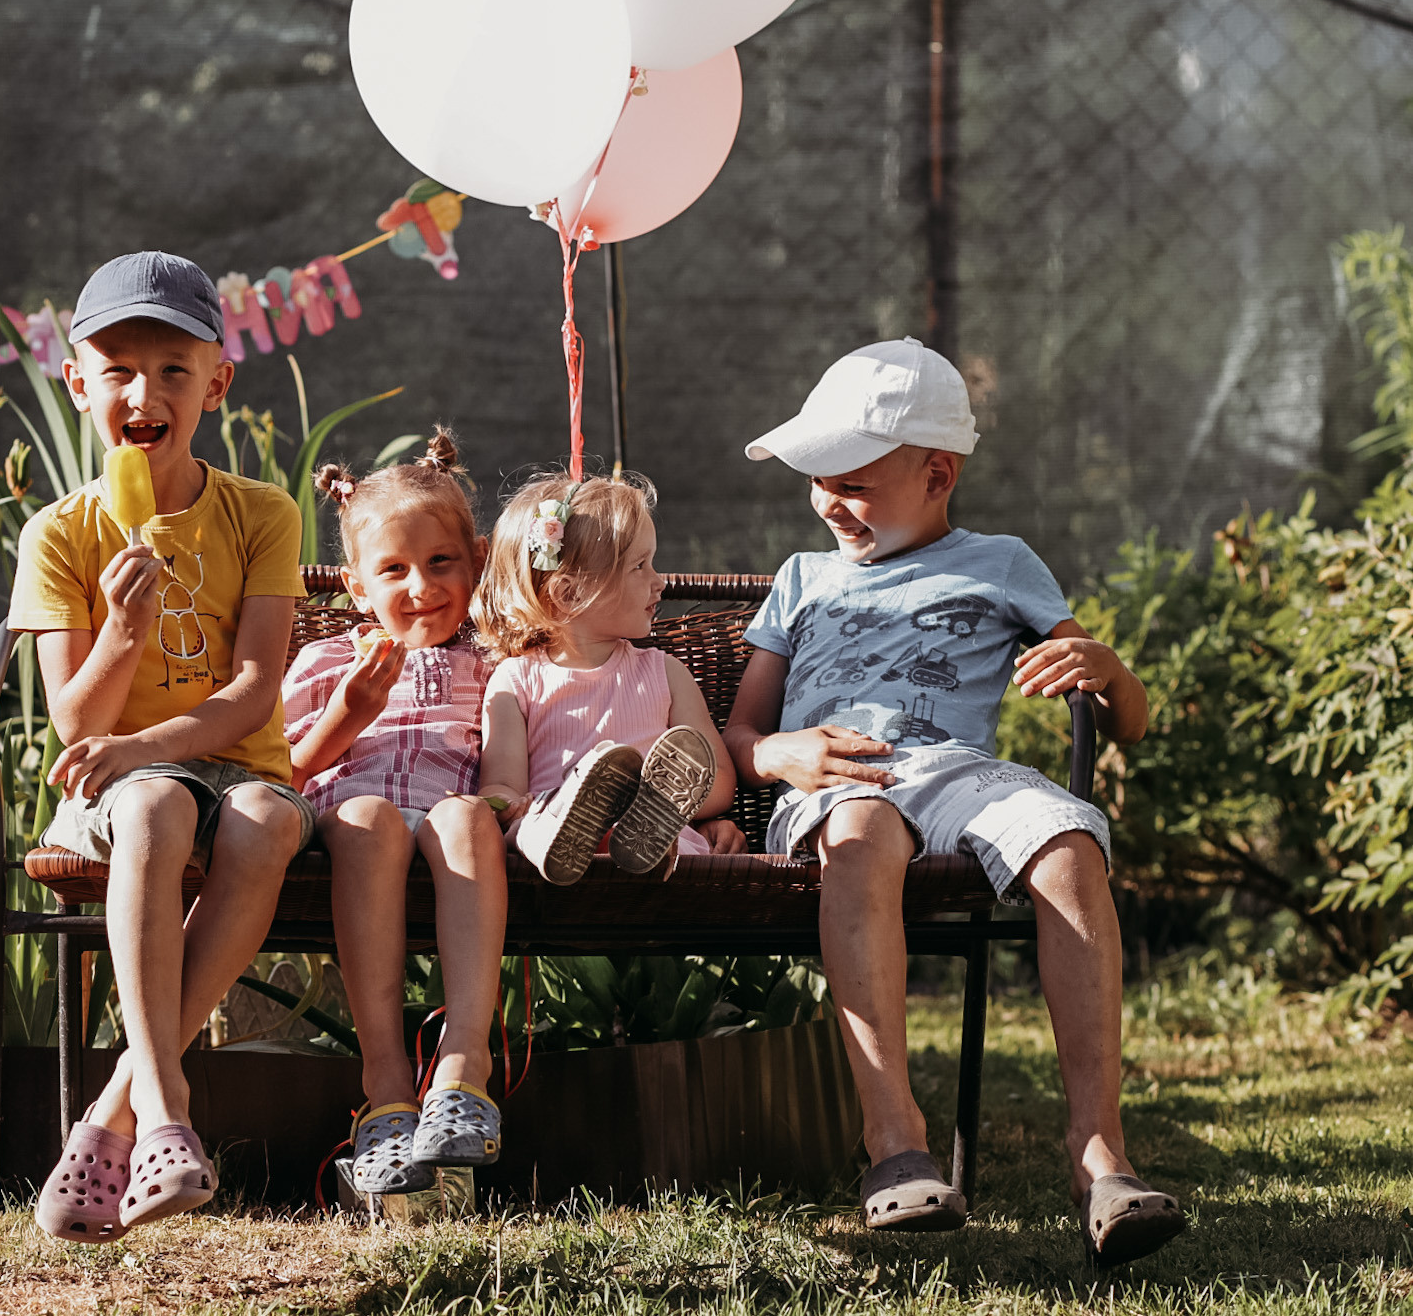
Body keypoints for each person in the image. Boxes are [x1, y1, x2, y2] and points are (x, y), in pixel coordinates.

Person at [720, 337, 1186, 1266]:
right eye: (817, 481)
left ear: (938, 472)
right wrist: (782, 751)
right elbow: (741, 735)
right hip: (841, 777)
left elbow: (1125, 720)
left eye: (851, 482)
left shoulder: (1005, 562)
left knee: (1068, 837)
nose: (827, 501)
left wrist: (1107, 669)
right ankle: (893, 1141)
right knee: (858, 831)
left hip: (959, 771)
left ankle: (1100, 1156)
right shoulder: (801, 579)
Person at [13, 251, 314, 1243]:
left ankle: (112, 1114)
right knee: (154, 802)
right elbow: (75, 726)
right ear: (78, 384)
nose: (146, 394)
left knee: (266, 817)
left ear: (215, 385)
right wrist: (122, 637)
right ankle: (170, 1111)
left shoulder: (261, 514)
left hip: (236, 765)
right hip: (118, 784)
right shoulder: (61, 533)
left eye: (173, 371)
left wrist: (150, 738)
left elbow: (255, 689)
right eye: (119, 371)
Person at [282, 431, 508, 1198]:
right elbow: (279, 768)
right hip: (352, 827)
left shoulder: (497, 660)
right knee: (371, 817)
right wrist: (348, 712)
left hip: (452, 827)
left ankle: (462, 1067)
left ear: (476, 560)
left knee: (467, 816)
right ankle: (385, 1084)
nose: (421, 585)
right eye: (393, 569)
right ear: (355, 586)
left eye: (441, 561)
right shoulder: (326, 663)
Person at [473, 473, 742, 886]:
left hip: (654, 844)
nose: (660, 581)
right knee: (534, 830)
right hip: (553, 849)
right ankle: (580, 819)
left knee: (650, 835)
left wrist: (680, 809)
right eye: (639, 566)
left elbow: (719, 779)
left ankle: (638, 822)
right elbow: (502, 785)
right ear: (569, 594)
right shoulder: (517, 679)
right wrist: (516, 806)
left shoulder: (665, 673)